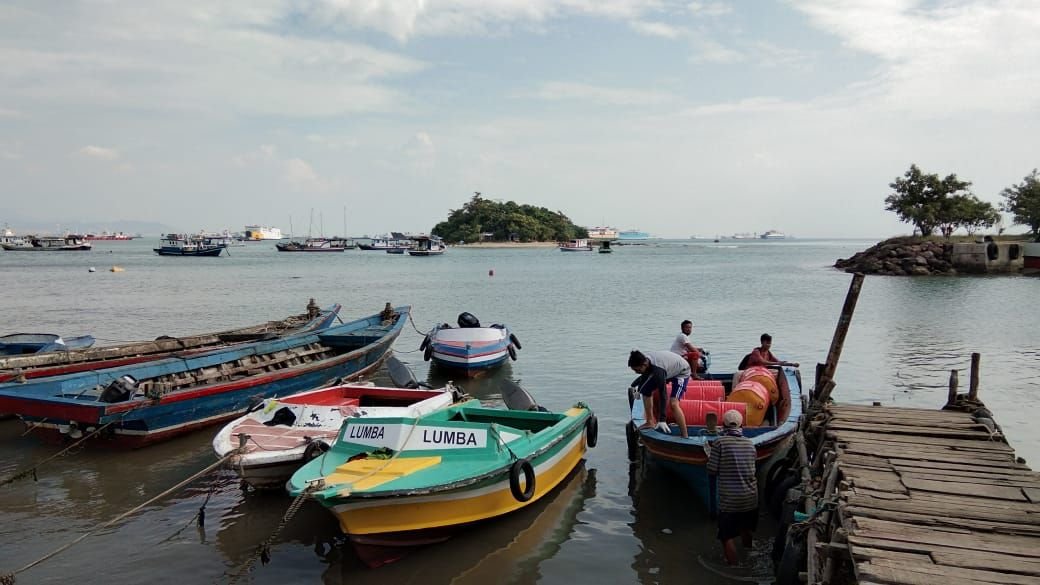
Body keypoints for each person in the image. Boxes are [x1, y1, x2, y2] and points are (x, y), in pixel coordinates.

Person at [706, 409, 758, 565]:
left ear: (723, 425)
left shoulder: (719, 443)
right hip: (751, 498)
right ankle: (749, 554)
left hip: (730, 501)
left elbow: (712, 470)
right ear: (741, 425)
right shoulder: (750, 444)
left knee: (725, 536)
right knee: (746, 528)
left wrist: (710, 456)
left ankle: (734, 567)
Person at [628, 349, 691, 439]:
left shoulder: (658, 371)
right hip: (668, 369)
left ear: (644, 365)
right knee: (646, 391)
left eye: (637, 370)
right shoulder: (646, 361)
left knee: (673, 403)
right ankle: (650, 422)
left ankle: (685, 435)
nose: (636, 373)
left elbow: (663, 394)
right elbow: (644, 377)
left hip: (681, 372)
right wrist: (636, 387)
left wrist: (662, 420)